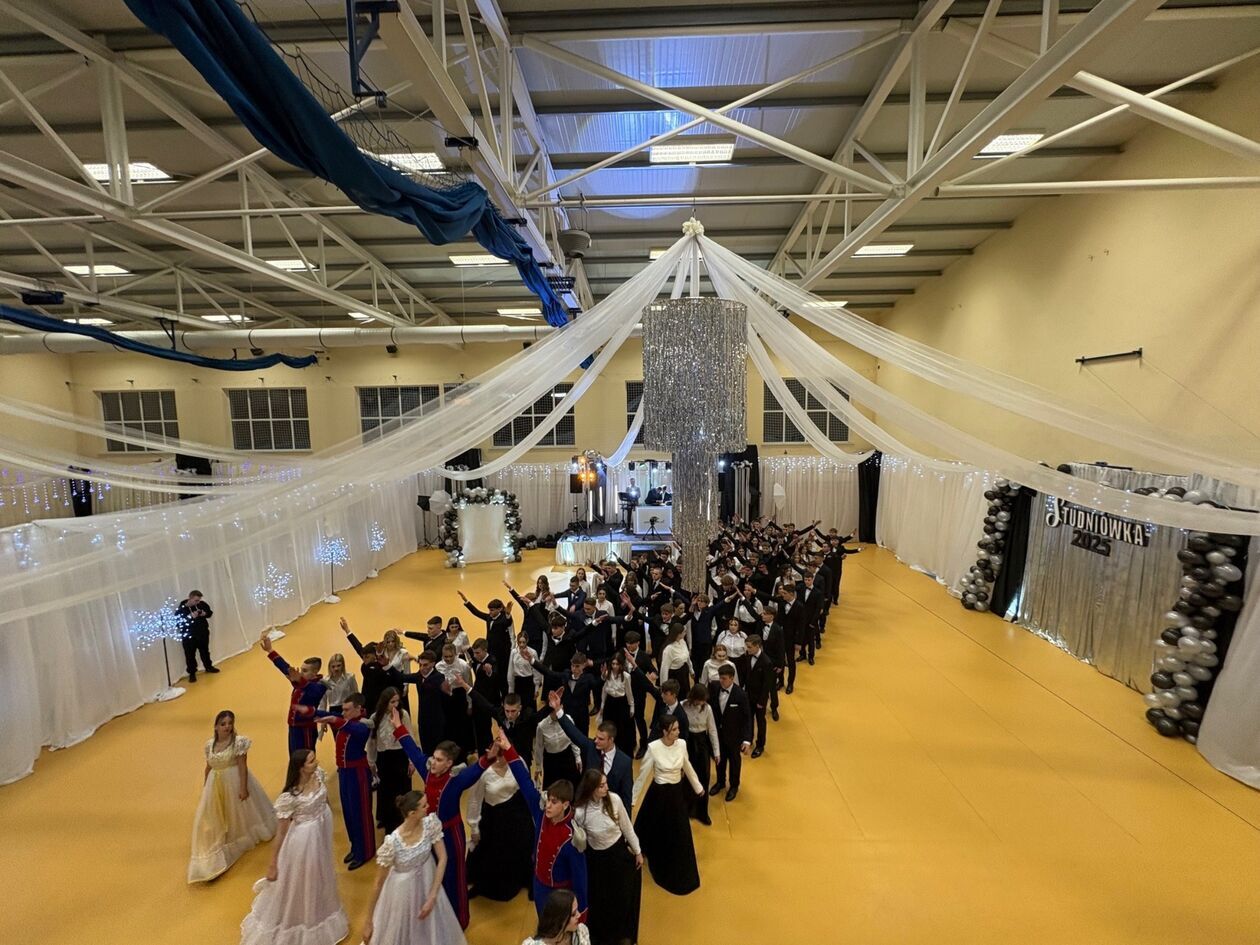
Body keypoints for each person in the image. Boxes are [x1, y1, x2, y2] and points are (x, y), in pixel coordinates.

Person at [390, 707, 491, 930]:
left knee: (454, 877)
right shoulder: (428, 774)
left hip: (451, 836)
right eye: (433, 758)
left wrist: (489, 757)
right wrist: (398, 726)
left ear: (449, 764)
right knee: (433, 875)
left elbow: (474, 771)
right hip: (430, 834)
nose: (432, 762)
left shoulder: (455, 782)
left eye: (438, 760)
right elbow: (414, 752)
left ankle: (459, 920)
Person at [240, 749, 349, 945]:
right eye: (311, 761)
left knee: (320, 875)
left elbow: (324, 801)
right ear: (300, 768)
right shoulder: (290, 797)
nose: (316, 763)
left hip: (320, 834)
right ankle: (300, 921)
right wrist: (273, 863)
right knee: (302, 880)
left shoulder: (319, 775)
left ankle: (318, 910)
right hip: (303, 843)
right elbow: (281, 833)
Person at [497, 729, 589, 921]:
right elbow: (524, 781)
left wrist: (581, 914)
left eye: (554, 802)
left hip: (560, 894)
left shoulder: (573, 838)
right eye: (548, 800)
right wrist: (508, 749)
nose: (548, 805)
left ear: (566, 805)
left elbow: (580, 879)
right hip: (539, 884)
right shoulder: (541, 814)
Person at [361, 790, 465, 945]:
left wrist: (432, 896)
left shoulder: (430, 824)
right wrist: (368, 921)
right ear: (412, 813)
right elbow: (378, 883)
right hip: (402, 894)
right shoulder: (392, 843)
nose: (428, 807)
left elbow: (443, 858)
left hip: (428, 885)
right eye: (424, 806)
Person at [188, 710, 276, 883]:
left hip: (233, 781)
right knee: (214, 813)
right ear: (216, 726)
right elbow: (208, 767)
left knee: (238, 812)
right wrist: (205, 786)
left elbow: (243, 766)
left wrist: (243, 787)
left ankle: (241, 833)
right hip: (215, 784)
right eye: (223, 724)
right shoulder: (210, 745)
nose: (227, 727)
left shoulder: (238, 743)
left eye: (230, 723)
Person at [632, 716, 704, 895]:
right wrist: (632, 799)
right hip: (659, 794)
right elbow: (643, 775)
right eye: (674, 730)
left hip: (676, 794)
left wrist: (698, 787)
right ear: (665, 732)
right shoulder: (653, 748)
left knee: (680, 830)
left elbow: (687, 766)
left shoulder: (682, 744)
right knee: (660, 828)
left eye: (678, 728)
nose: (678, 732)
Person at [574, 769, 642, 945]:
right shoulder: (581, 812)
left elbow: (627, 827)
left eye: (606, 784)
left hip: (618, 855)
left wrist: (637, 851)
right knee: (602, 900)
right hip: (598, 862)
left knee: (622, 896)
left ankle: (623, 934)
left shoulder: (615, 800)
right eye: (602, 785)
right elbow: (580, 840)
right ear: (592, 789)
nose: (607, 788)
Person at [313, 693, 375, 870]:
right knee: (349, 812)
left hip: (358, 774)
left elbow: (353, 728)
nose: (343, 713)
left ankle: (366, 851)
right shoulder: (347, 720)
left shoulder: (363, 725)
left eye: (347, 710)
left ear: (358, 709)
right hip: (345, 773)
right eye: (343, 710)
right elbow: (328, 714)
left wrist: (335, 719)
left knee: (360, 813)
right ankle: (356, 847)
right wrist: (308, 710)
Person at [466, 741, 534, 902]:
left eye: (502, 756)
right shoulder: (484, 772)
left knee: (523, 845)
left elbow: (526, 785)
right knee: (495, 853)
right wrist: (474, 826)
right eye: (496, 756)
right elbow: (474, 800)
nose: (498, 760)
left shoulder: (517, 761)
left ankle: (525, 880)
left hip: (517, 813)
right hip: (494, 818)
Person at [549, 689, 634, 813]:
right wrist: (558, 710)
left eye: (601, 739)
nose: (596, 741)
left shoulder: (625, 762)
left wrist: (624, 821)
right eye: (596, 737)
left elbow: (626, 797)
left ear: (611, 740)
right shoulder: (591, 747)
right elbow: (573, 733)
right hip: (584, 805)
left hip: (607, 811)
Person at [259, 631, 326, 753]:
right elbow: (286, 668)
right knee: (294, 758)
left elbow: (310, 689)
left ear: (315, 672)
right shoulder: (300, 681)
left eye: (305, 671)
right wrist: (270, 650)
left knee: (306, 758)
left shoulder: (320, 686)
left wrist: (299, 679)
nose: (301, 673)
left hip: (306, 730)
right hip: (294, 728)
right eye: (301, 669)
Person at [369, 688, 412, 833]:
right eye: (392, 702)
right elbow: (372, 741)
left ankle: (403, 821)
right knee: (386, 791)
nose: (395, 704)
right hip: (384, 758)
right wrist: (371, 761)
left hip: (400, 756)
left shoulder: (403, 715)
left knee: (402, 789)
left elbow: (409, 737)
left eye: (397, 701)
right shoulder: (375, 717)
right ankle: (389, 821)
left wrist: (411, 761)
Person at [708, 666, 752, 802]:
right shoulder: (714, 687)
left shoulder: (741, 695)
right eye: (720, 678)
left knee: (734, 762)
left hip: (734, 736)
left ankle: (734, 786)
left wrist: (746, 740)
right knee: (719, 759)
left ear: (732, 678)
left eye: (724, 678)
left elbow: (747, 718)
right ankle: (720, 782)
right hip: (718, 734)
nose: (721, 681)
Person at [682, 686, 720, 826]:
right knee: (687, 777)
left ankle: (702, 812)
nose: (701, 703)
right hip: (688, 742)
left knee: (704, 776)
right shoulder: (683, 705)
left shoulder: (707, 709)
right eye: (699, 700)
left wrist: (716, 752)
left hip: (702, 742)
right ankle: (687, 809)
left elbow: (712, 730)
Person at [459, 591, 514, 687]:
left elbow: (507, 622)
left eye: (492, 610)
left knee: (502, 673)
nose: (490, 612)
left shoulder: (503, 618)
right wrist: (466, 601)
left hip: (502, 652)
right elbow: (477, 613)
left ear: (500, 609)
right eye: (489, 610)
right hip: (490, 649)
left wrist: (508, 614)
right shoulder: (489, 617)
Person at [597, 654, 636, 757]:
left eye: (617, 664)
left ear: (621, 665)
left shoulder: (626, 676)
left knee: (621, 729)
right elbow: (604, 691)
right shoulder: (607, 674)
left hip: (621, 704)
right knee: (608, 728)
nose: (614, 666)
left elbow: (629, 692)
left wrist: (632, 706)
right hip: (610, 704)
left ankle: (620, 752)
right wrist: (602, 705)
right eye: (613, 664)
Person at [743, 635, 775, 758]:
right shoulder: (748, 656)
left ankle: (760, 745)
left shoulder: (766, 662)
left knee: (760, 721)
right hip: (748, 695)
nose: (747, 649)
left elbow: (767, 684)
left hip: (759, 698)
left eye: (749, 647)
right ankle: (748, 740)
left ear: (757, 646)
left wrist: (762, 701)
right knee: (748, 719)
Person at [522, 889, 591, 945]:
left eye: (577, 910)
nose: (579, 915)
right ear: (559, 919)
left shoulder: (581, 932)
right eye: (573, 914)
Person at [177, 591, 217, 682]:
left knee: (205, 651)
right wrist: (189, 617)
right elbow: (179, 624)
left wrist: (204, 614)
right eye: (196, 600)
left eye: (199, 600)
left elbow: (210, 613)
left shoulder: (201, 604)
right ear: (190, 598)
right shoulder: (181, 610)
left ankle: (208, 667)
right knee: (190, 655)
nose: (198, 602)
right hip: (189, 637)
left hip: (203, 633)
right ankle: (192, 673)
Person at [317, 652, 358, 719]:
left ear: (343, 666)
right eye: (333, 666)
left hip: (347, 709)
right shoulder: (325, 681)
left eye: (339, 666)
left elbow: (355, 695)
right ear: (329, 667)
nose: (336, 669)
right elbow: (323, 702)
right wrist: (322, 717)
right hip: (333, 709)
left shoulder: (350, 678)